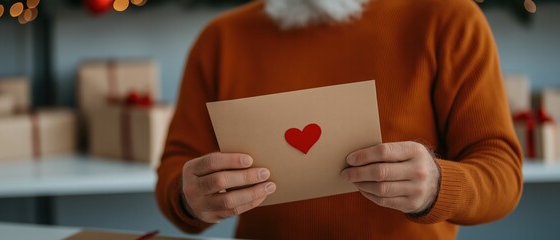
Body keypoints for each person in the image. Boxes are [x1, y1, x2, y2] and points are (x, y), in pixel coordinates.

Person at [156, 0, 523, 239]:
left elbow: (502, 175)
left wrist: (436, 185)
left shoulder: (450, 19)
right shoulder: (221, 39)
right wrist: (190, 197)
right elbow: (175, 172)